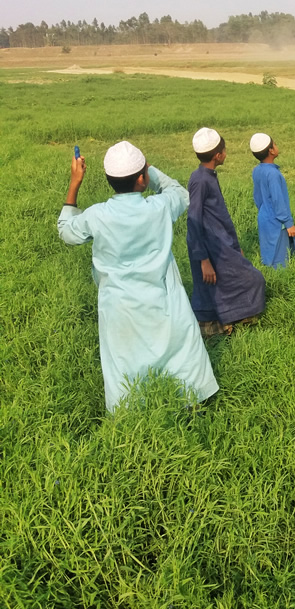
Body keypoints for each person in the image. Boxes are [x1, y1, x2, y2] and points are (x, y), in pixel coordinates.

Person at [57, 142, 219, 411]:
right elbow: (180, 193)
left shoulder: (97, 215)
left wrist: (75, 182)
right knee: (180, 353)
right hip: (163, 301)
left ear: (109, 180)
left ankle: (131, 415)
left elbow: (66, 230)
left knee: (125, 364)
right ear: (142, 179)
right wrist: (150, 170)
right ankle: (188, 403)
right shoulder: (159, 207)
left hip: (119, 308)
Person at [187, 127, 266, 337]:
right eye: (224, 148)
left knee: (233, 280)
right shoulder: (200, 180)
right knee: (252, 279)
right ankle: (215, 326)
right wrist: (203, 259)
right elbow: (193, 220)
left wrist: (236, 246)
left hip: (221, 244)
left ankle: (231, 319)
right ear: (218, 155)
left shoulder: (207, 175)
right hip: (210, 247)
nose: (226, 152)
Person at [250, 132, 295, 268]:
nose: (276, 146)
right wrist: (289, 223)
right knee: (280, 261)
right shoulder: (273, 174)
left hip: (264, 216)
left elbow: (257, 197)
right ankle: (279, 285)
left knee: (268, 256)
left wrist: (264, 211)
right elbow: (278, 201)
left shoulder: (257, 170)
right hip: (277, 221)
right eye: (275, 144)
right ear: (271, 150)